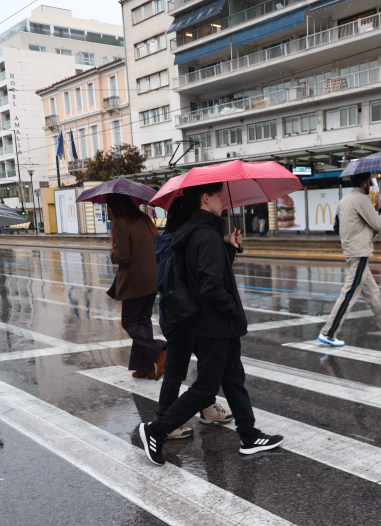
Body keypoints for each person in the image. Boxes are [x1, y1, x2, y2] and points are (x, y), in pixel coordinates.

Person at [139, 182, 283, 465]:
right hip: (215, 325)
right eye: (219, 195)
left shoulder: (195, 231)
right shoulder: (206, 235)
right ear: (206, 198)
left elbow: (200, 273)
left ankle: (249, 435)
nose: (223, 201)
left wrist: (228, 248)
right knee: (206, 388)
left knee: (233, 380)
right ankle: (156, 430)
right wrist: (234, 313)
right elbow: (211, 287)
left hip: (210, 324)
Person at [153, 195, 233, 440]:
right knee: (176, 369)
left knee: (206, 365)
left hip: (188, 315)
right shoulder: (177, 243)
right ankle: (165, 421)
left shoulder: (179, 239)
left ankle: (207, 409)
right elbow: (189, 280)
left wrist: (228, 247)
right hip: (180, 317)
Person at [317, 172, 381, 347]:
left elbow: (336, 227)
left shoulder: (344, 201)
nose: (370, 186)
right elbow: (377, 223)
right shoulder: (362, 199)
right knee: (348, 294)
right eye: (369, 182)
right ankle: (328, 332)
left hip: (350, 250)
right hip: (359, 252)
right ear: (364, 183)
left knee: (372, 292)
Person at [108, 196, 167, 380]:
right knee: (143, 321)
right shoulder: (144, 219)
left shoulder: (121, 223)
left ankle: (158, 351)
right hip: (152, 279)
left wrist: (112, 254)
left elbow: (123, 257)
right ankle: (144, 367)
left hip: (135, 281)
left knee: (130, 322)